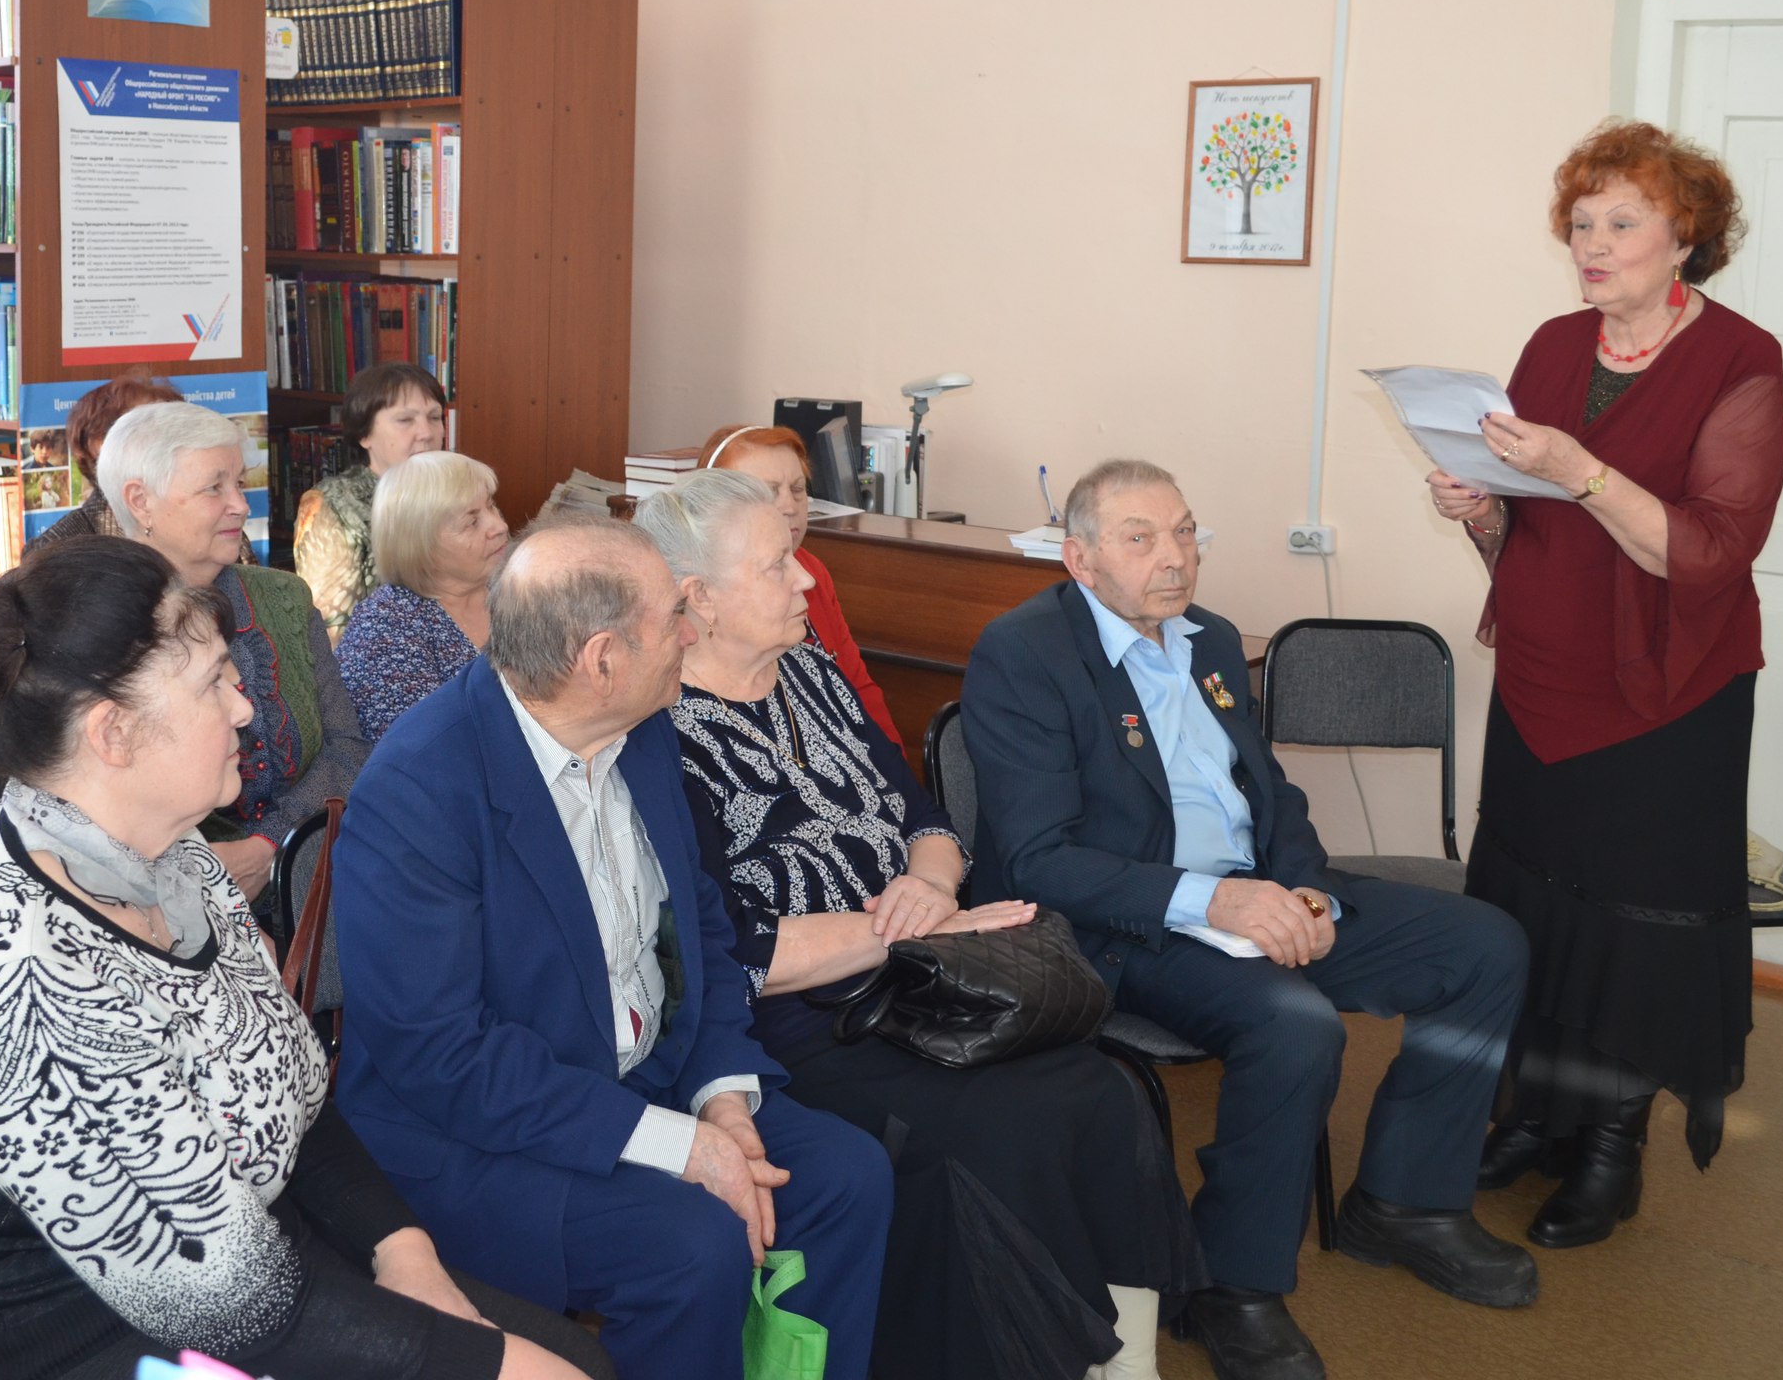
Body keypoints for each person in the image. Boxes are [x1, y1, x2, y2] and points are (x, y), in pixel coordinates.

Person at [0, 537, 609, 1380]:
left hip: (242, 1269)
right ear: (113, 733)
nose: (244, 709)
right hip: (52, 1338)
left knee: (571, 1357)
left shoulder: (174, 859)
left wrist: (403, 1250)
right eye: (212, 684)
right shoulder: (13, 963)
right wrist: (488, 1365)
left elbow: (297, 1097)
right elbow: (219, 1296)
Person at [964, 460, 1536, 1380]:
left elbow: (1269, 793)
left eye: (1185, 531)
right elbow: (1039, 860)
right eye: (1140, 538)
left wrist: (1307, 892)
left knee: (1483, 946)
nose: (1174, 557)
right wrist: (1217, 900)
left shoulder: (1213, 639)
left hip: (1248, 894)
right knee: (1294, 1024)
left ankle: (1407, 1203)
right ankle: (1231, 1285)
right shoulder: (1025, 653)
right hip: (1124, 926)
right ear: (1079, 558)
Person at [641, 469, 1206, 1380]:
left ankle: (1124, 1364)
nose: (807, 578)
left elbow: (925, 818)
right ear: (697, 597)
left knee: (1102, 1094)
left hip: (926, 979)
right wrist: (911, 930)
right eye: (778, 564)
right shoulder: (658, 735)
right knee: (986, 1134)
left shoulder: (811, 674)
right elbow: (734, 954)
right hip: (802, 1024)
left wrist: (932, 886)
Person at [333, 516, 894, 1380]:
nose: (692, 633)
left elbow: (699, 931)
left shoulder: (641, 730)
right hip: (484, 1133)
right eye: (674, 618)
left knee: (847, 1177)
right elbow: (442, 1056)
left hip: (646, 1074)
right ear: (601, 659)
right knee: (692, 1246)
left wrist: (721, 1096)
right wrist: (678, 1145)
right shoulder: (421, 788)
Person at [1426, 120, 1783, 1249]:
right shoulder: (1550, 346)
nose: (1591, 243)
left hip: (1666, 695)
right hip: (1542, 679)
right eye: (1581, 222)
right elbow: (1528, 539)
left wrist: (1578, 469)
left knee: (1631, 924)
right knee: (1533, 902)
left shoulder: (1740, 358)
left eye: (1621, 222)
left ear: (1684, 238)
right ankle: (1537, 1115)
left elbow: (1711, 551)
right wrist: (1482, 510)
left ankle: (1611, 1153)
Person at [98, 399, 368, 901]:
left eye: (240, 484)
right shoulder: (96, 626)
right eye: (214, 488)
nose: (241, 506)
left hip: (321, 881)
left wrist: (269, 846)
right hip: (163, 899)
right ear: (140, 502)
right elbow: (99, 794)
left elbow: (348, 747)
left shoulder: (284, 598)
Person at [697, 424, 899, 744]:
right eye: (768, 492)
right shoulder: (703, 590)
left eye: (797, 489)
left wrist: (891, 766)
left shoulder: (812, 569)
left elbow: (857, 688)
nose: (789, 506)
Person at [336, 450, 510, 740]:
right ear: (421, 545)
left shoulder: (515, 592)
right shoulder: (386, 627)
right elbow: (419, 751)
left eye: (492, 506)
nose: (500, 526)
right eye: (472, 522)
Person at [295, 361, 450, 642]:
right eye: (405, 420)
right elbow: (332, 634)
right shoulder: (333, 504)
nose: (426, 433)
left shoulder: (459, 490)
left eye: (434, 417)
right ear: (364, 434)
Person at [26, 375, 185, 551]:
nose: (170, 442)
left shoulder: (196, 514)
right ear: (100, 445)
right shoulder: (55, 549)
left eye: (173, 429)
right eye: (151, 428)